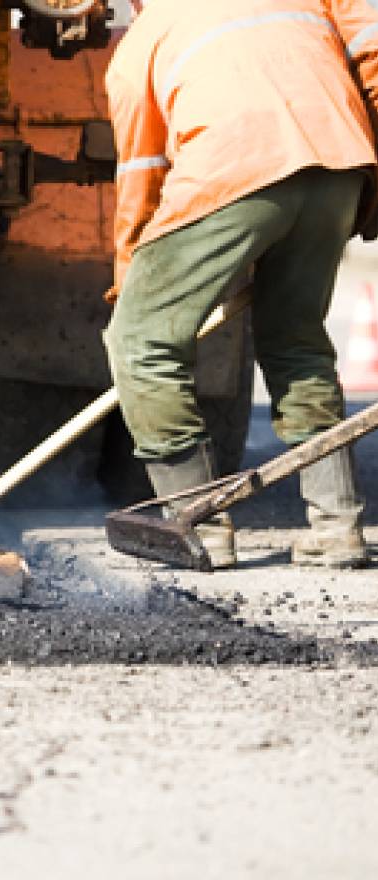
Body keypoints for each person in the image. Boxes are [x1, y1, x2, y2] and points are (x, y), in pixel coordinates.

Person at [104, 0, 378, 569]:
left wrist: (132, 278)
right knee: (295, 339)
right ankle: (338, 526)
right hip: (339, 170)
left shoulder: (141, 45)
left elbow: (140, 176)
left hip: (233, 169)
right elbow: (370, 61)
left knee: (141, 343)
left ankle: (197, 523)